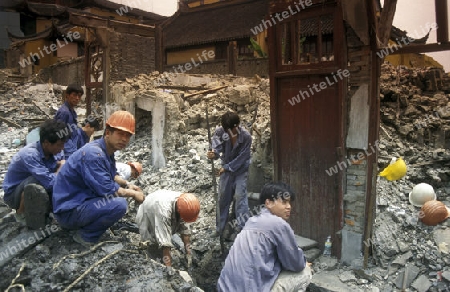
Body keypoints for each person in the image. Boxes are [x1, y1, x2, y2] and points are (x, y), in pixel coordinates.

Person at [52, 111, 145, 247]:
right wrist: (133, 193)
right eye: (120, 134)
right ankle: (85, 236)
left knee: (115, 200)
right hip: (68, 211)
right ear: (107, 133)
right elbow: (108, 189)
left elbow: (112, 175)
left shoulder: (106, 152)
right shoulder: (94, 154)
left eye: (128, 136)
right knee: (119, 205)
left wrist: (127, 184)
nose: (124, 139)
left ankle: (85, 225)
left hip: (77, 202)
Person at [217, 182, 312, 292]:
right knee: (304, 272)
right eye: (284, 202)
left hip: (223, 288)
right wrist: (304, 263)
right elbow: (296, 264)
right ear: (269, 203)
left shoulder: (250, 221)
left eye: (290, 203)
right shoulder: (278, 224)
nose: (289, 207)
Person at [2, 119, 70, 229]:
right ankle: (21, 213)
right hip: (14, 195)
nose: (62, 148)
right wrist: (60, 169)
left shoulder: (56, 151)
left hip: (40, 183)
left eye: (63, 144)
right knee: (36, 181)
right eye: (59, 145)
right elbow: (50, 182)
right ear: (46, 142)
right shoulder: (30, 154)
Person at [206, 111, 252, 236]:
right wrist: (213, 153)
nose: (229, 133)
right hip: (226, 170)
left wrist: (227, 168)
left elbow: (243, 157)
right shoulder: (221, 132)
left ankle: (243, 230)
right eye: (227, 131)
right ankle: (220, 228)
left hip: (241, 170)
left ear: (237, 126)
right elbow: (216, 148)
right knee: (223, 198)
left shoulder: (246, 137)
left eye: (232, 130)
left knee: (239, 197)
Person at [136, 190, 200, 271]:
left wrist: (188, 253)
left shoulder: (185, 204)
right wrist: (168, 267)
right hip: (147, 214)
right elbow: (165, 243)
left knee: (167, 236)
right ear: (178, 211)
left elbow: (185, 230)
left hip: (161, 205)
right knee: (153, 247)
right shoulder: (164, 212)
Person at [54, 84, 83, 159]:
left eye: (79, 96)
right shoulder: (64, 112)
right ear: (67, 95)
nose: (77, 98)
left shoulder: (72, 111)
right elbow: (59, 135)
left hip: (72, 148)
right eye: (74, 95)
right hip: (67, 151)